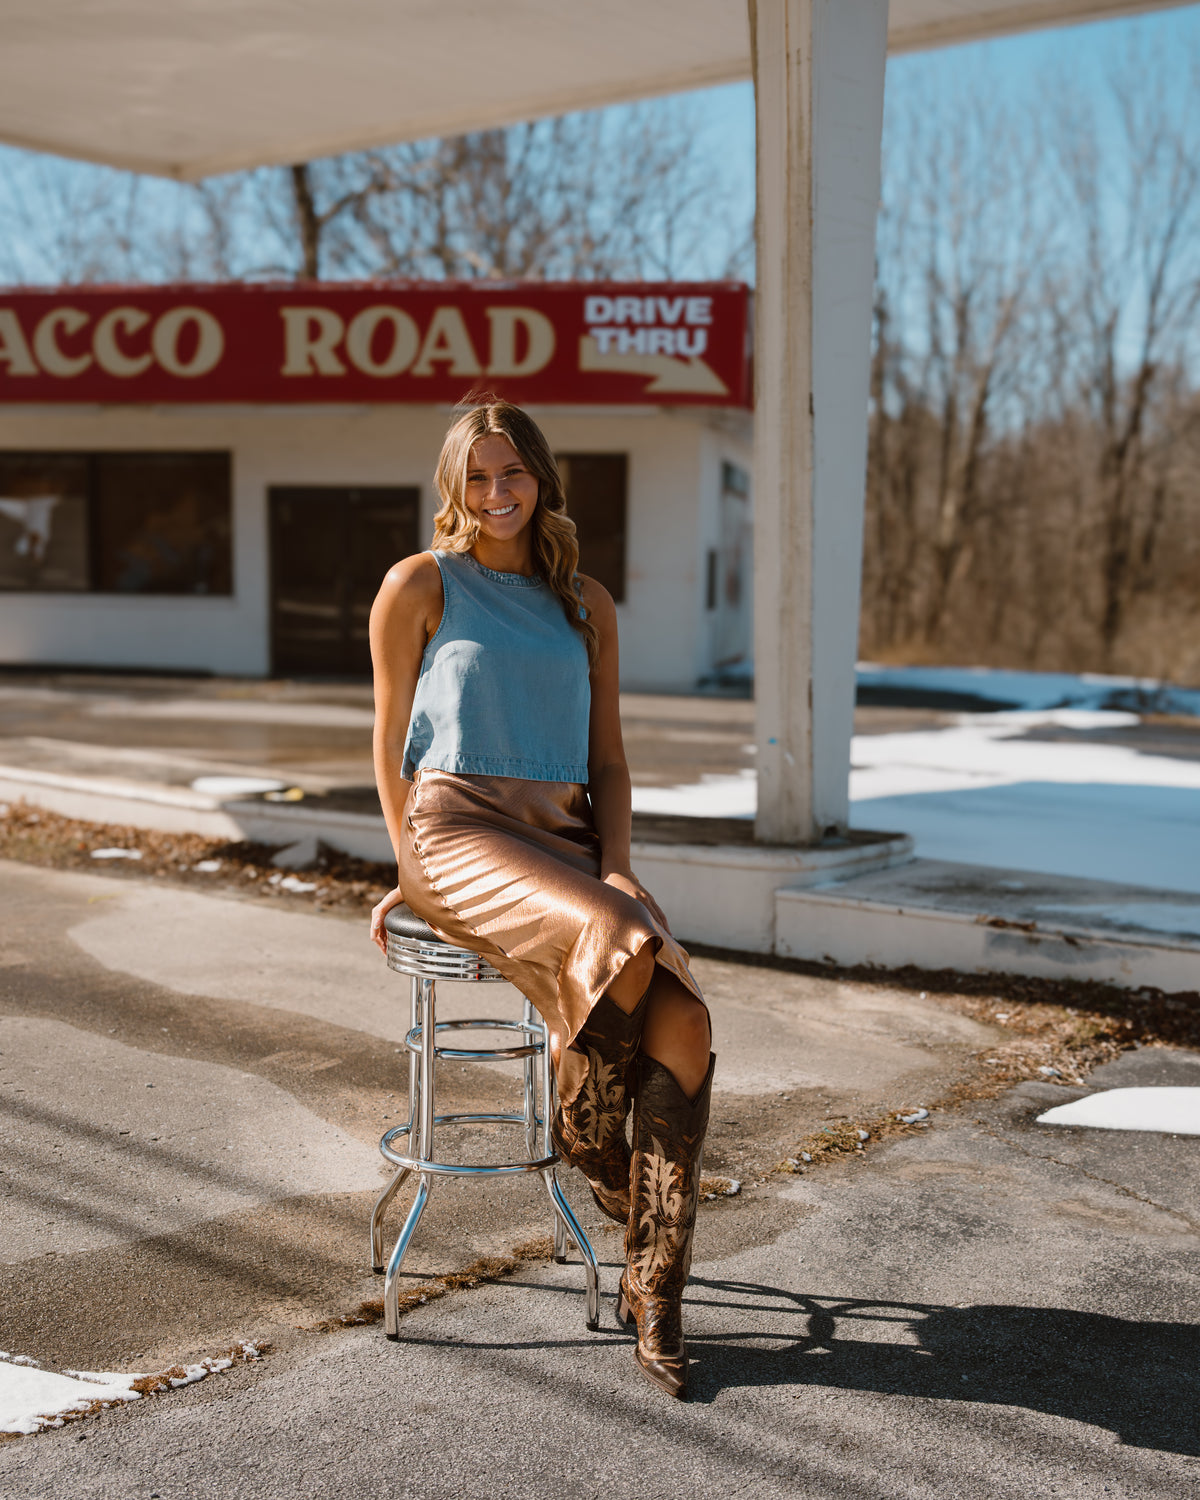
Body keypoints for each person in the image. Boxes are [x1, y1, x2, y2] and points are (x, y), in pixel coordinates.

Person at [368, 399, 714, 1399]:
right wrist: (407, 869)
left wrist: (617, 860)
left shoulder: (586, 603)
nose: (495, 494)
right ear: (453, 486)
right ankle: (590, 1139)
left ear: (541, 479)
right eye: (476, 477)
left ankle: (659, 1286)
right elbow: (390, 748)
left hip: (562, 837)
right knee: (623, 942)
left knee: (684, 1013)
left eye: (511, 473)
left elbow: (609, 755)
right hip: (458, 831)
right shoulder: (420, 586)